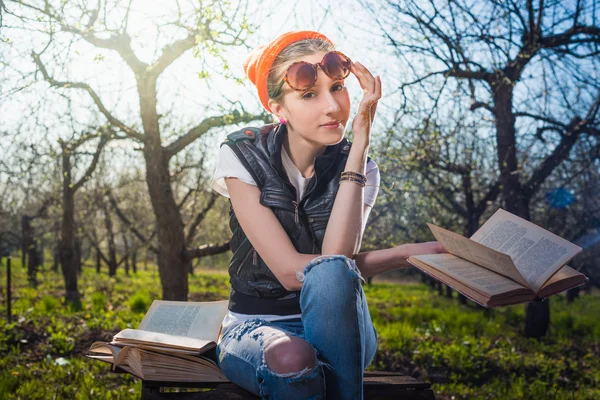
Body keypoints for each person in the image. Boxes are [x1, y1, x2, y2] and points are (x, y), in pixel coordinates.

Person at [211, 30, 444, 400]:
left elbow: (338, 260)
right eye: (308, 95)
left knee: (334, 270)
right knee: (292, 356)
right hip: (257, 324)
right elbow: (291, 273)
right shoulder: (242, 154)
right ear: (278, 108)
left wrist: (360, 147)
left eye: (337, 87)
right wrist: (400, 255)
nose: (333, 107)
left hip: (342, 326)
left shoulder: (362, 168)